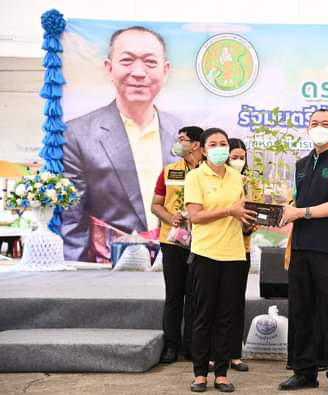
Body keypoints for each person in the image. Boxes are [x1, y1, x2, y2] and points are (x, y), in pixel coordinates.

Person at [63, 25, 183, 261]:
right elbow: (72, 218)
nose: (138, 72)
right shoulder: (77, 134)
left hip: (177, 263)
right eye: (127, 61)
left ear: (165, 70)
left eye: (150, 62)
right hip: (107, 266)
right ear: (109, 68)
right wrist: (74, 277)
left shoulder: (184, 134)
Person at [279, 109, 328, 395]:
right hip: (301, 247)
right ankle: (304, 372)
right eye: (314, 124)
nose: (319, 128)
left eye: (325, 124)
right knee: (301, 311)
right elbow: (295, 202)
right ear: (307, 129)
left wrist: (300, 212)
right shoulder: (300, 164)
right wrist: (287, 211)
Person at [185, 128, 256, 393]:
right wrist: (229, 210)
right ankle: (201, 373)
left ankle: (222, 373)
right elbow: (196, 216)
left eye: (223, 143)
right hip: (206, 253)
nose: (219, 148)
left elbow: (242, 214)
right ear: (203, 150)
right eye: (213, 144)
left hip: (235, 253)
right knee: (204, 315)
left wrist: (253, 219)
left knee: (227, 316)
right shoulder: (195, 177)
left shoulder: (238, 178)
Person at [151, 126, 203, 363]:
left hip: (202, 241)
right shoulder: (169, 171)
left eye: (184, 139)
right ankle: (171, 346)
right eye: (178, 139)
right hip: (172, 241)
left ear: (197, 145)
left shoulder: (210, 174)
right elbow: (156, 204)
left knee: (195, 296)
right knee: (174, 295)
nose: (179, 143)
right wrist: (170, 217)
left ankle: (193, 346)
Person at [226, 137, 253, 372]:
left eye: (242, 157)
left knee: (236, 304)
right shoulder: (211, 180)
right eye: (234, 156)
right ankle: (213, 355)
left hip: (241, 249)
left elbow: (252, 218)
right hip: (214, 249)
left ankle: (235, 354)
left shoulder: (247, 183)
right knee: (213, 304)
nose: (238, 161)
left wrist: (249, 222)